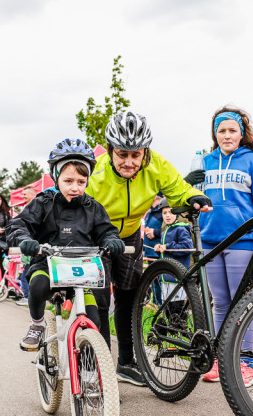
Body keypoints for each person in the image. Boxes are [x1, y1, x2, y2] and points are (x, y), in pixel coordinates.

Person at [85, 111, 211, 385]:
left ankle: (126, 363)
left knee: (129, 300)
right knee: (99, 302)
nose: (129, 162)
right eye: (122, 154)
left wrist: (195, 196)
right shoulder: (96, 171)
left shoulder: (158, 165)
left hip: (130, 236)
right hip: (97, 238)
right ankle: (99, 369)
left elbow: (179, 189)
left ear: (145, 152)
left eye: (136, 155)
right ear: (110, 150)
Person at [6, 139, 121, 350]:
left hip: (82, 270)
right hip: (48, 264)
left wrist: (112, 241)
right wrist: (25, 241)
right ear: (56, 178)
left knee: (94, 320)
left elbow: (106, 230)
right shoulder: (43, 202)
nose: (75, 187)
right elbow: (19, 224)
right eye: (68, 181)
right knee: (38, 285)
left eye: (81, 181)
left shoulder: (93, 207)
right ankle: (37, 324)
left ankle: (89, 373)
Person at [193, 106, 253, 386]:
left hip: (244, 240)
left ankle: (246, 362)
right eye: (221, 130)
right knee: (220, 302)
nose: (226, 135)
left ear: (241, 133)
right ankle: (218, 360)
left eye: (232, 130)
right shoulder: (205, 161)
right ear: (215, 134)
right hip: (211, 240)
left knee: (243, 302)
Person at [153, 201, 193, 319]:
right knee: (168, 310)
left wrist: (168, 247)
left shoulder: (181, 229)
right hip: (165, 277)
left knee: (177, 310)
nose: (167, 215)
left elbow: (187, 247)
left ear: (177, 214)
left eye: (171, 212)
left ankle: (181, 331)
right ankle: (171, 331)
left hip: (176, 277)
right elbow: (167, 252)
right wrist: (159, 248)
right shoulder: (165, 231)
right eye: (164, 213)